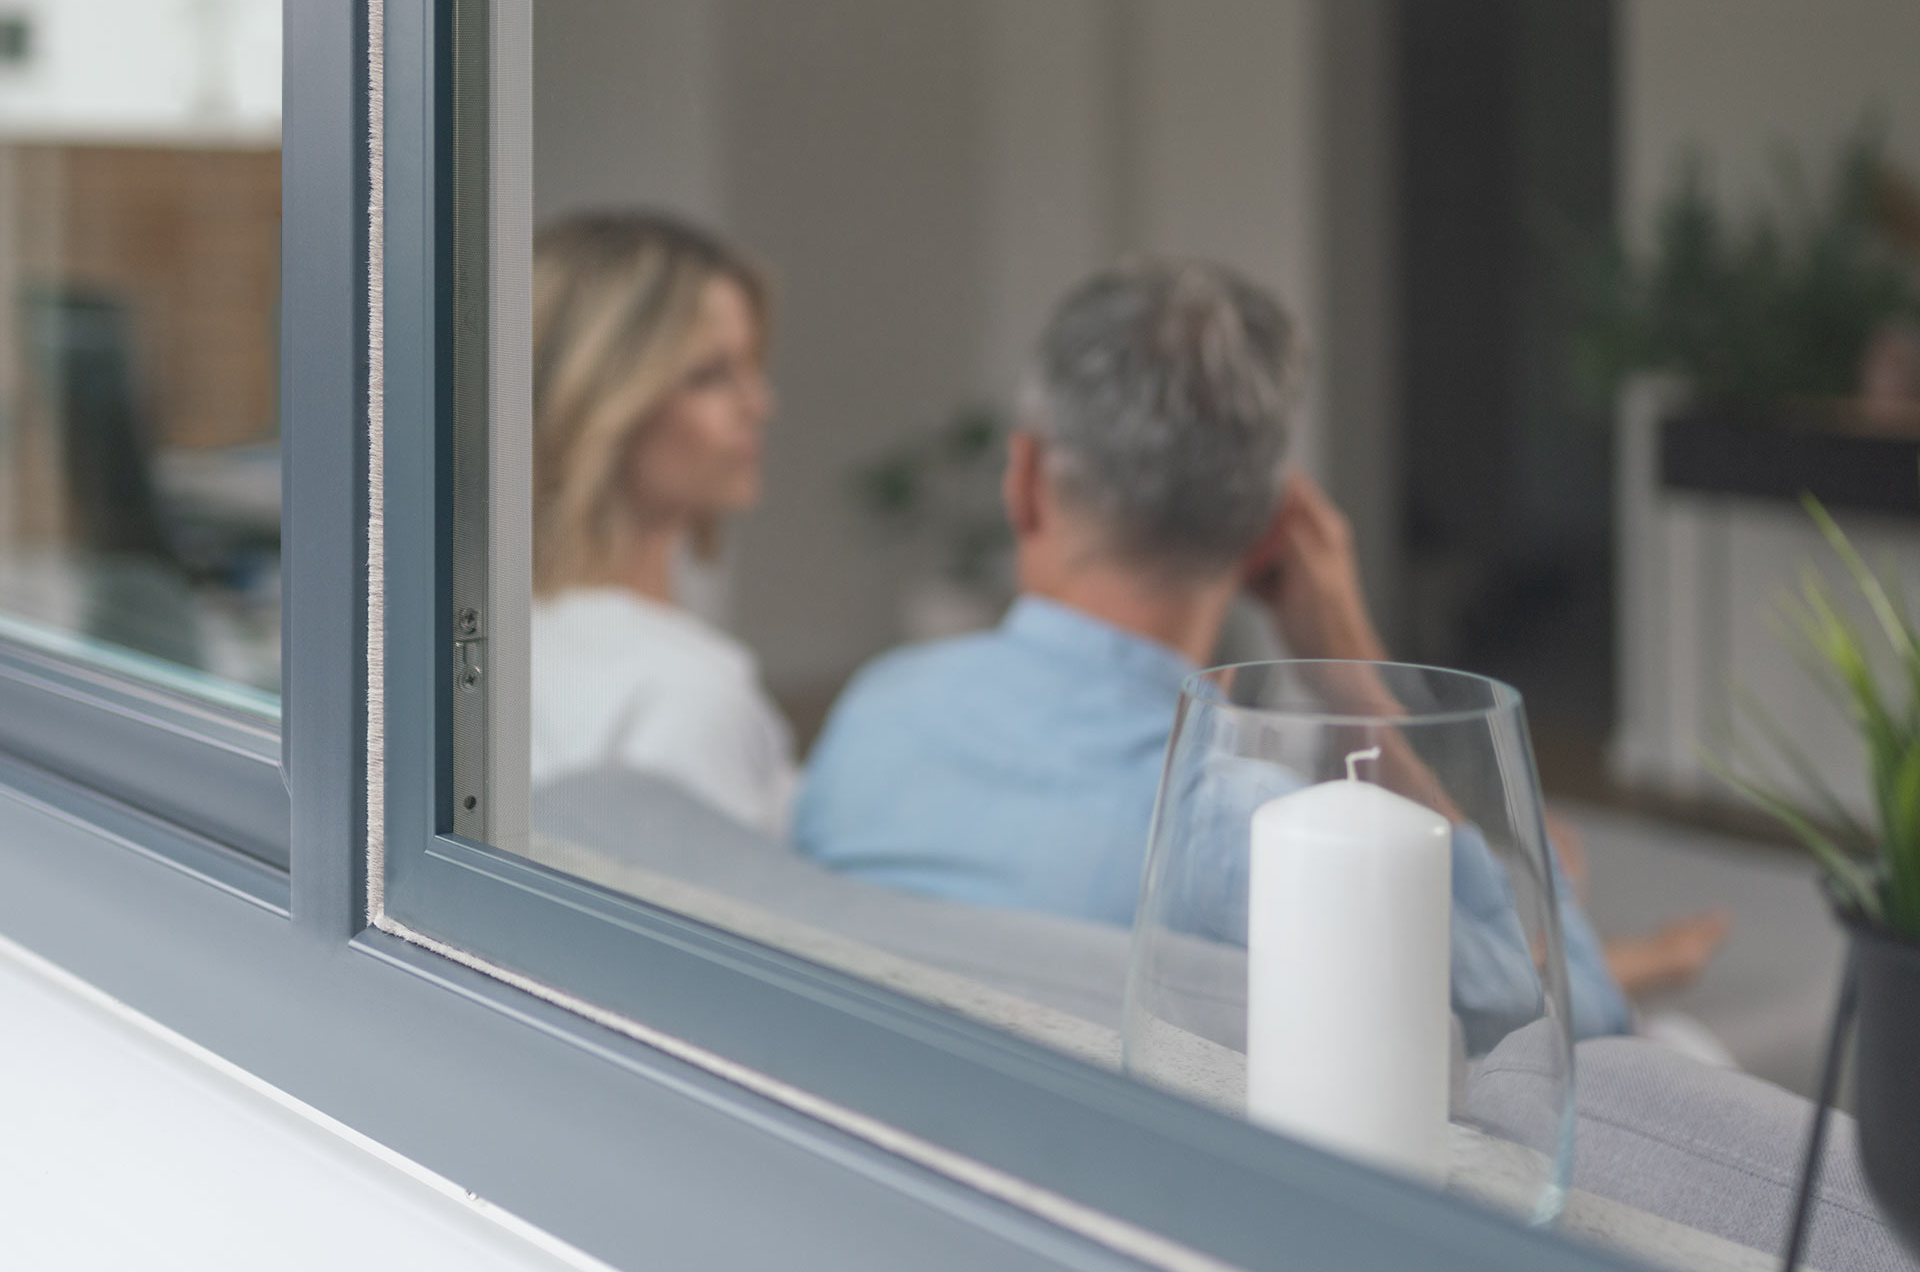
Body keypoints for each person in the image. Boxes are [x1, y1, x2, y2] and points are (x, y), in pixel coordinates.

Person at [795, 259, 1725, 1041]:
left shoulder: (872, 716)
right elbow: (1582, 1023)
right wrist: (1355, 676)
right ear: (1273, 528)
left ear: (1026, 480)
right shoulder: (1256, 836)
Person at [530, 210, 796, 833]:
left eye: (753, 364)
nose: (760, 404)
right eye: (710, 376)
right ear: (599, 400)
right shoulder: (683, 691)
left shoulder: (458, 642)